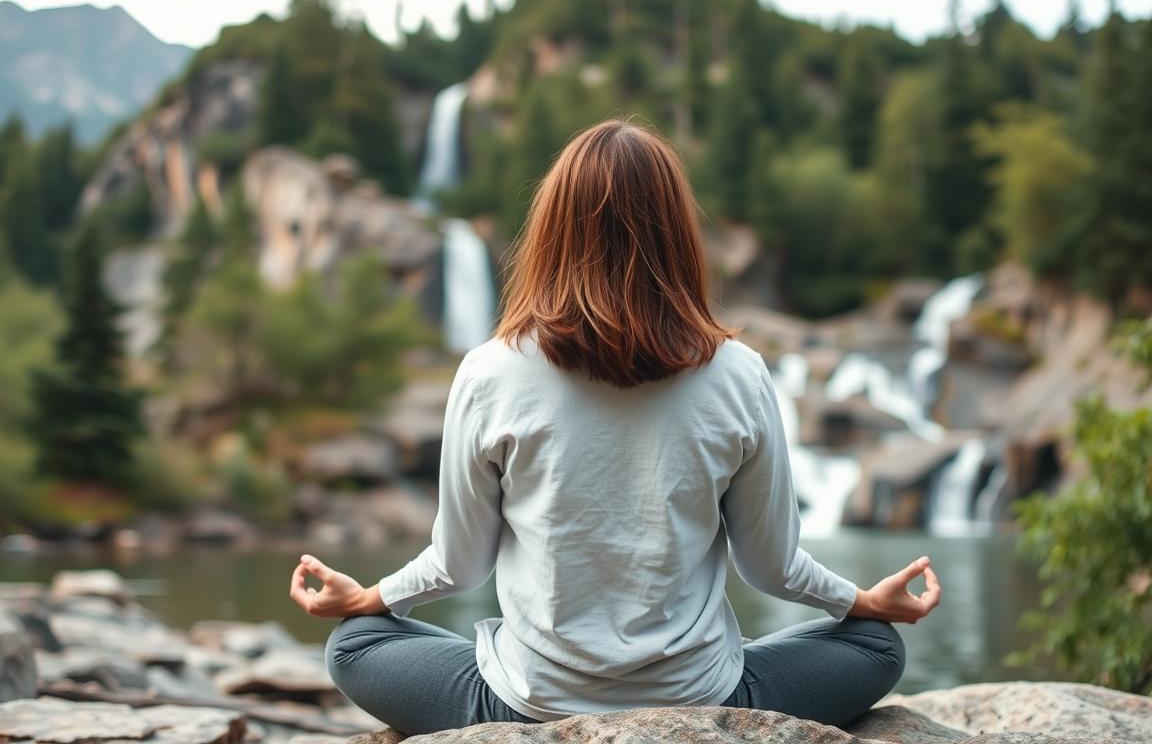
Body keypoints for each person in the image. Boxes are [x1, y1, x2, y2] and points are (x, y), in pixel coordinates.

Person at [289, 120, 941, 736]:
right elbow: (771, 568)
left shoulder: (489, 371)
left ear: (550, 233)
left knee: (356, 642)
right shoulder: (740, 373)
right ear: (680, 235)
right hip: (704, 698)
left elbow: (460, 564)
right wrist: (860, 601)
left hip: (526, 703)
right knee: (875, 645)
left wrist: (373, 595)